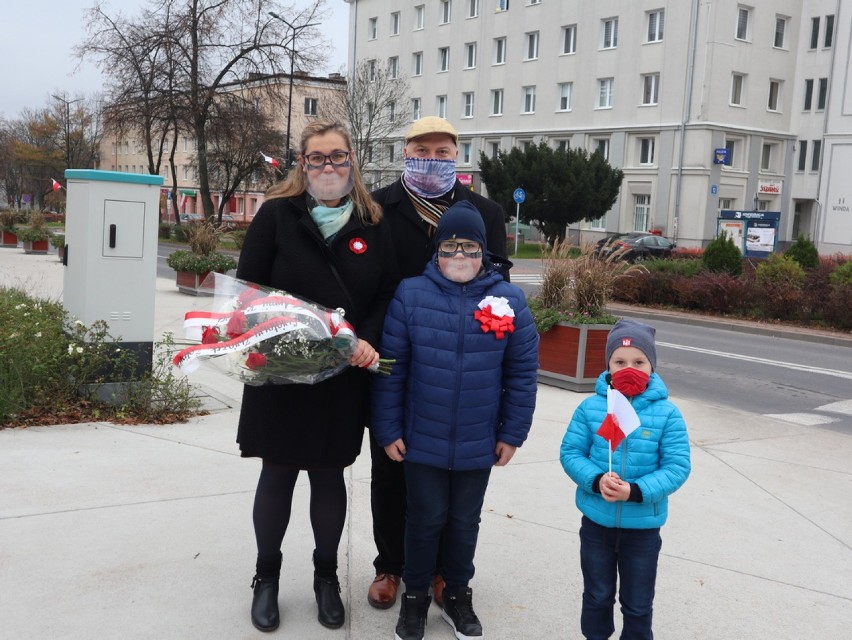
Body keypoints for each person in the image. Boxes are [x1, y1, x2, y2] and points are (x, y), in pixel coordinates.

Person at [236, 120, 399, 633]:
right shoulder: (277, 216)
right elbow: (249, 291)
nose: (328, 166)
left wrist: (362, 340)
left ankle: (326, 578)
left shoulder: (374, 223)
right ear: (301, 165)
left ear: (353, 162)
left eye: (338, 156)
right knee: (278, 471)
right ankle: (266, 578)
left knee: (329, 474)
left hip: (342, 373)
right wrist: (286, 333)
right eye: (317, 158)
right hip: (282, 370)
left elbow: (384, 294)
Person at [371, 201, 539, 640]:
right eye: (449, 246)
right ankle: (415, 599)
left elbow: (521, 375)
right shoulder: (411, 294)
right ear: (436, 251)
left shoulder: (509, 300)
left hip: (478, 439)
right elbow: (392, 367)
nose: (459, 255)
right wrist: (388, 429)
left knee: (465, 520)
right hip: (421, 437)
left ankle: (459, 594)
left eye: (469, 246)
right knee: (424, 518)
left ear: (484, 251)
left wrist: (512, 433)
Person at [367, 115, 510, 611]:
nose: (433, 157)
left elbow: (500, 282)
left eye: (443, 151)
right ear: (406, 152)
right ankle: (391, 566)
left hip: (458, 358)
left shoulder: (484, 211)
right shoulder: (378, 207)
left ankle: (447, 574)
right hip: (388, 353)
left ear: (457, 154)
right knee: (390, 464)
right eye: (421, 149)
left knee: (452, 478)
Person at [559, 319, 691, 640]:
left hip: (642, 531)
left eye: (638, 362)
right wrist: (596, 480)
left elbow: (677, 467)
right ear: (607, 365)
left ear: (652, 366)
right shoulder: (591, 407)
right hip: (596, 525)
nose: (628, 368)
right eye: (619, 362)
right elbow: (570, 452)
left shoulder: (668, 414)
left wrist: (634, 491)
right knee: (596, 596)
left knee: (637, 605)